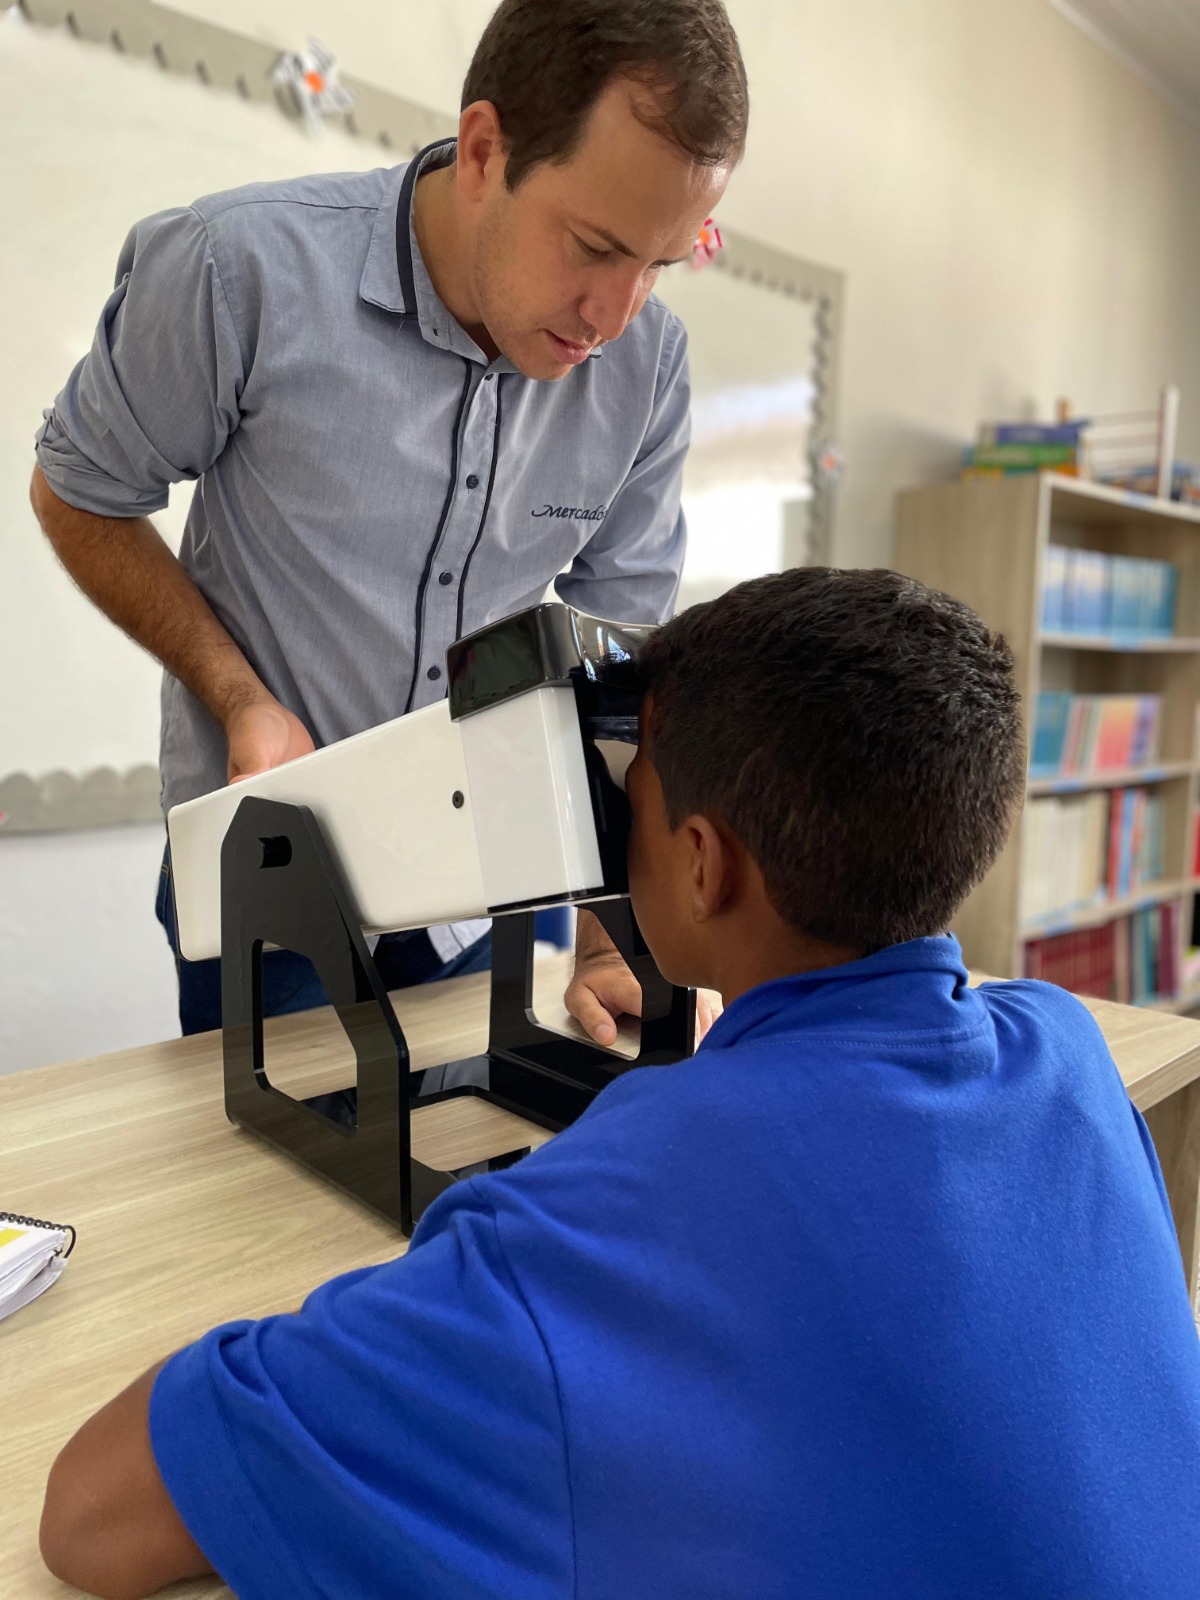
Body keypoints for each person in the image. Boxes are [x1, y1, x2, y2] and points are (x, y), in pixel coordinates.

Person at [39, 568, 1200, 1599]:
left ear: (703, 863)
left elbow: (89, 1516)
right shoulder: (1061, 1049)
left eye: (629, 787)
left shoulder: (602, 1219)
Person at [28, 0, 747, 1041]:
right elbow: (77, 492)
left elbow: (613, 670)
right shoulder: (238, 271)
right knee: (285, 1199)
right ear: (484, 148)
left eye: (660, 262)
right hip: (274, 889)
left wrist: (609, 933)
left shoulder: (648, 369)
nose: (614, 314)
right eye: (594, 246)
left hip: (486, 895)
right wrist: (239, 698)